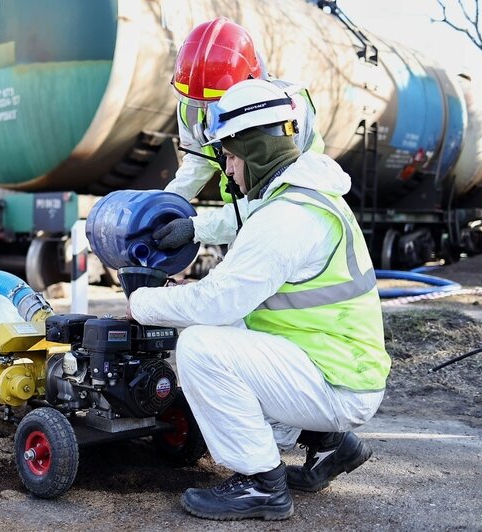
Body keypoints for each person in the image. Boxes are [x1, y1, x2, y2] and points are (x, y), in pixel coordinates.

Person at [128, 79, 391, 521]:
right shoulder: (303, 196)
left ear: (255, 151)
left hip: (338, 383)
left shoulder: (288, 218)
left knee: (200, 347)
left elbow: (217, 302)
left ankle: (260, 485)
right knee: (225, 330)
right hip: (335, 364)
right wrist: (193, 229)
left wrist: (143, 304)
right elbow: (241, 228)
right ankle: (329, 442)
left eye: (231, 156)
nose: (227, 170)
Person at [156, 17, 325, 250]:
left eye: (217, 100)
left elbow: (271, 199)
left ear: (249, 85)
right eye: (199, 100)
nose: (206, 110)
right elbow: (198, 160)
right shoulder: (191, 104)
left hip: (293, 211)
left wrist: (197, 228)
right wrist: (161, 207)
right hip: (240, 208)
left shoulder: (280, 111)